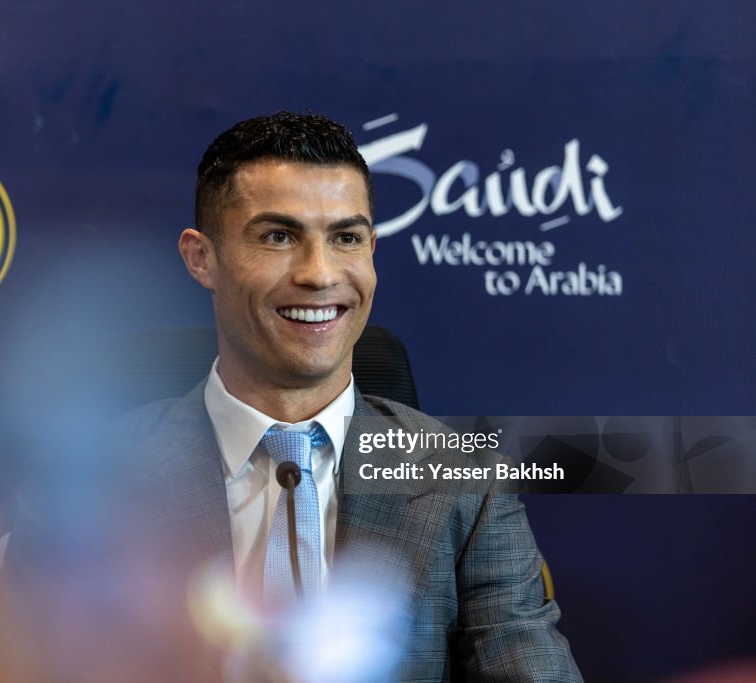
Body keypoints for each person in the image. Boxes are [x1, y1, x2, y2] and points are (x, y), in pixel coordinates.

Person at [120, 112, 582, 682]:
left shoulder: (463, 478)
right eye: (278, 236)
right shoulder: (96, 484)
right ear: (202, 258)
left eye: (345, 238)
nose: (319, 274)